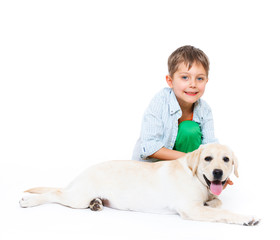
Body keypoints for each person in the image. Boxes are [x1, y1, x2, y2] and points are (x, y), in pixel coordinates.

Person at [132, 45, 218, 162]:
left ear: (206, 81)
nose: (193, 84)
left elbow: (211, 147)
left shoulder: (204, 109)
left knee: (189, 129)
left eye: (199, 79)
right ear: (170, 81)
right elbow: (149, 147)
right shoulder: (160, 102)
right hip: (153, 169)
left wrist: (218, 169)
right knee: (188, 130)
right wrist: (190, 158)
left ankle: (187, 177)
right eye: (185, 77)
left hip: (183, 166)